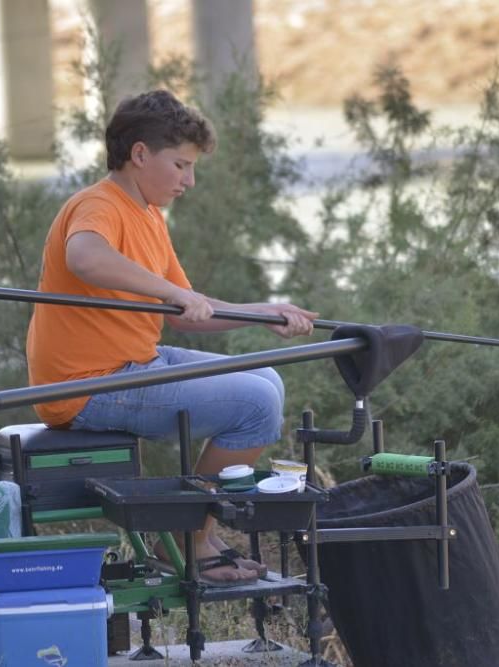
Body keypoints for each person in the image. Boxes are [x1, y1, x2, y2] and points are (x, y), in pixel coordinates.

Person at [26, 90, 318, 585]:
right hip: (85, 386)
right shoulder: (100, 205)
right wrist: (170, 293)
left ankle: (196, 530)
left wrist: (262, 314)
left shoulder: (148, 217)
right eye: (181, 165)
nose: (190, 180)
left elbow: (188, 311)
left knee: (266, 379)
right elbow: (86, 258)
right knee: (255, 405)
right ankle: (191, 537)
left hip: (132, 362)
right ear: (140, 154)